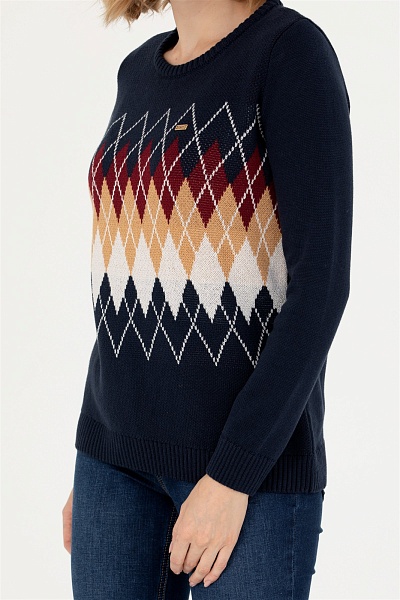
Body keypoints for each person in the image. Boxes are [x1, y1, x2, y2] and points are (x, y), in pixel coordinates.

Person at [62, 0, 353, 597]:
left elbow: (321, 289)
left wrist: (232, 476)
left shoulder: (289, 52)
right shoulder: (136, 71)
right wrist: (98, 447)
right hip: (113, 469)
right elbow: (130, 273)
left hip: (249, 476)